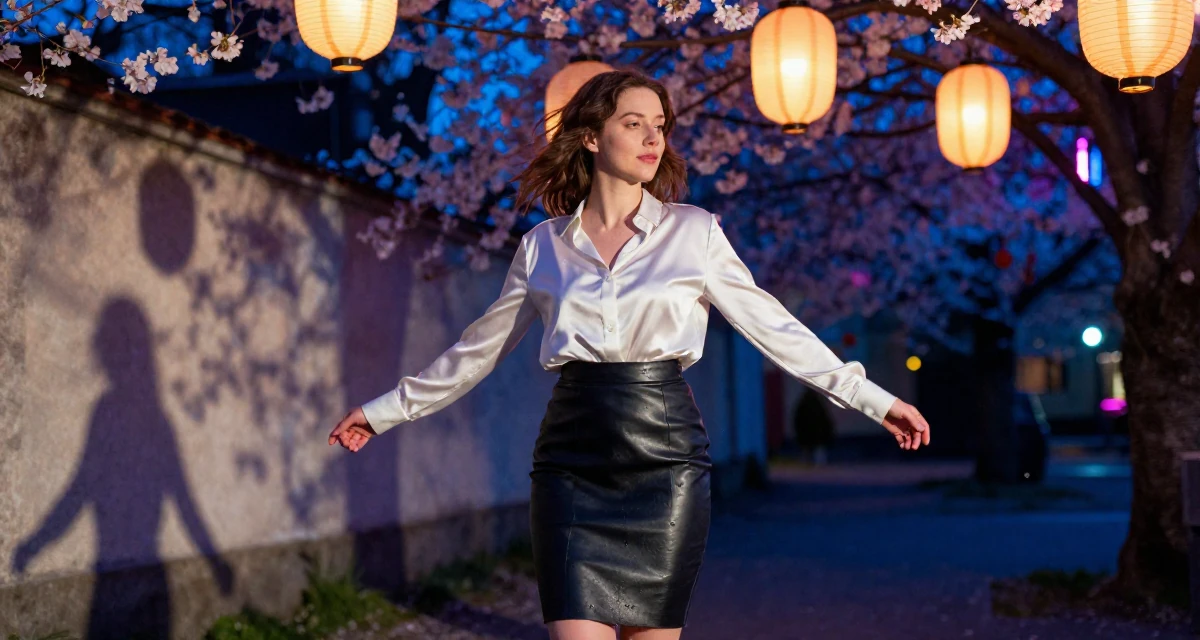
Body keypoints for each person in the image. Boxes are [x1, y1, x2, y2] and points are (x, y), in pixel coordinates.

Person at [329, 70, 931, 640]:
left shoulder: (695, 232)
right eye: (634, 122)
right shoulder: (542, 247)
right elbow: (476, 351)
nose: (653, 137)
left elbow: (775, 327)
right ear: (591, 136)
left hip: (664, 464)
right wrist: (383, 411)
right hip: (570, 462)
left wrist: (874, 401)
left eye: (661, 125)